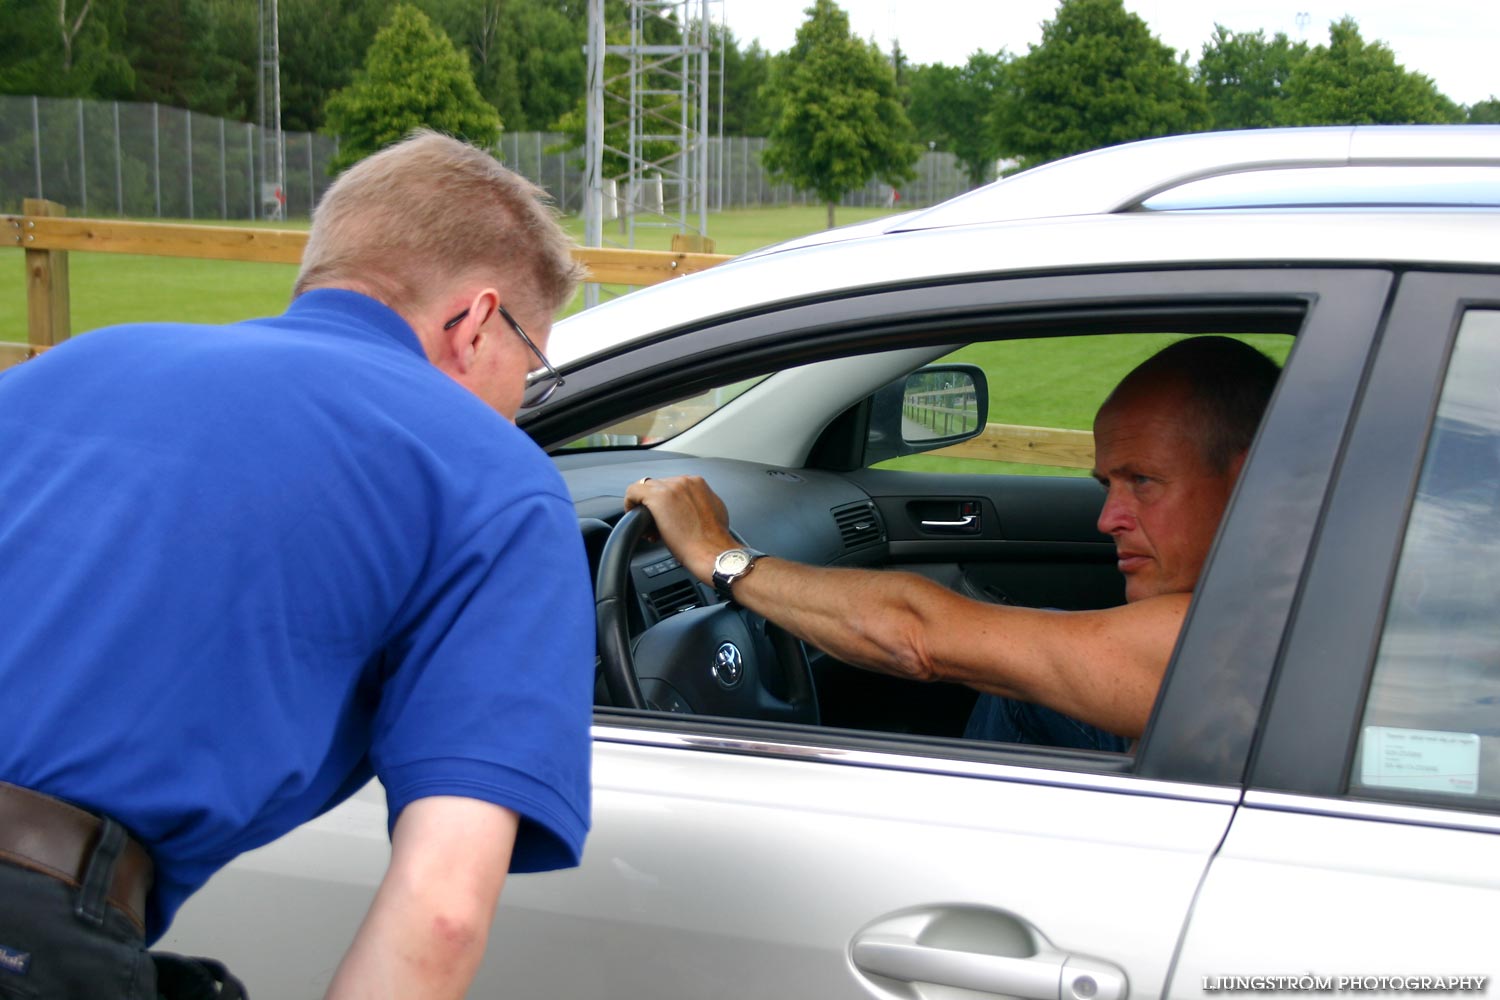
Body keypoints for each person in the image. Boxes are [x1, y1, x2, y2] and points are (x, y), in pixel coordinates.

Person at [0, 131, 595, 999]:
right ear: (474, 322)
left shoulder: (66, 369)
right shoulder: (495, 480)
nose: (518, 407)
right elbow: (441, 911)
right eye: (531, 365)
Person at [625, 336, 1280, 750]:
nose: (1108, 517)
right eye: (1107, 483)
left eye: (1143, 481)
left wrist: (723, 556)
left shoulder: (1221, 642)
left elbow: (918, 636)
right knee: (1026, 674)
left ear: (1251, 476)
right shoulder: (1303, 580)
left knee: (1019, 677)